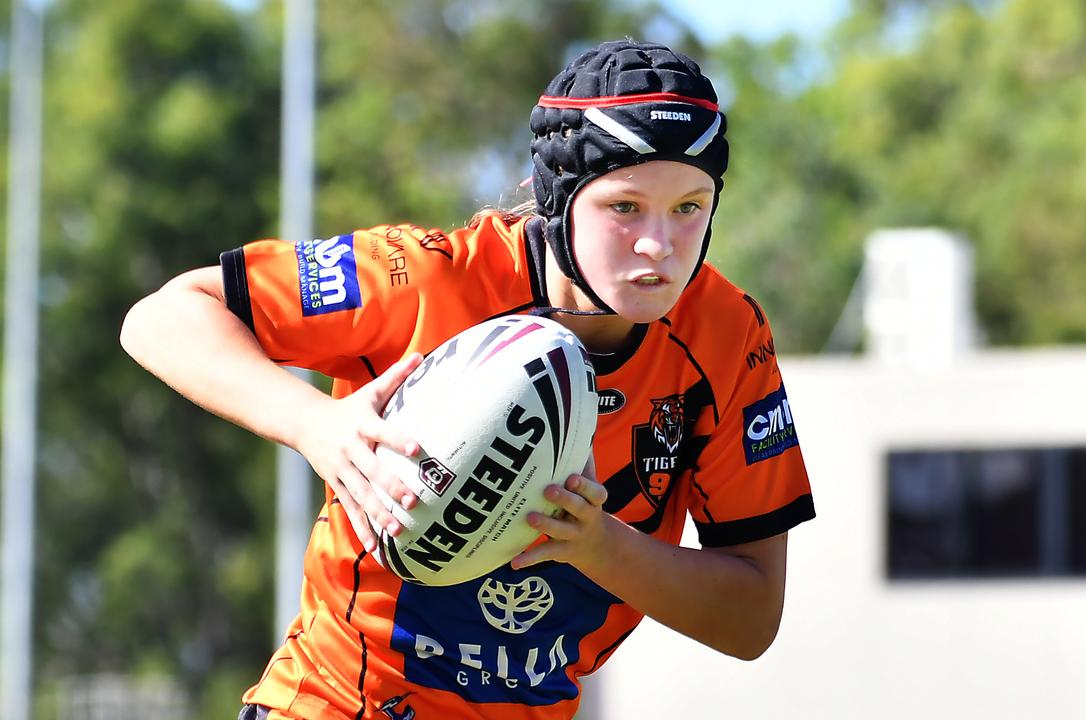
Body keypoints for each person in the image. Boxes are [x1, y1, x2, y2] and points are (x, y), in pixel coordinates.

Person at [122, 39, 815, 720]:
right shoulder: (425, 279)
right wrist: (315, 425)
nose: (658, 245)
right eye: (625, 207)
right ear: (557, 193)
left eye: (689, 207)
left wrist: (602, 547)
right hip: (338, 707)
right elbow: (164, 317)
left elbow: (750, 618)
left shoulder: (725, 336)